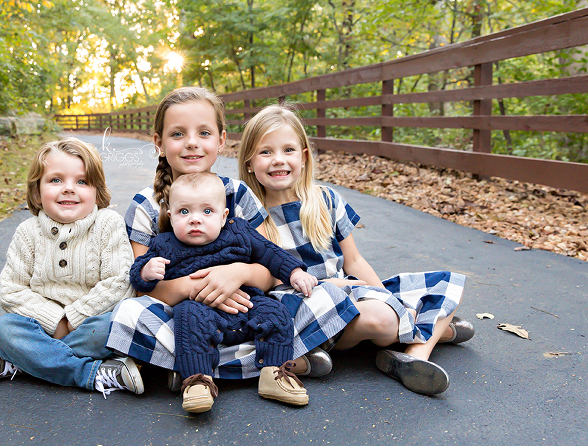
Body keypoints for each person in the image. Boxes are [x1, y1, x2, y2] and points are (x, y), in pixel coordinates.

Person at [107, 87, 356, 388]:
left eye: (204, 133)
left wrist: (237, 273)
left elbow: (269, 269)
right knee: (128, 314)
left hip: (247, 307)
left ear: (221, 140)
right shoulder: (146, 204)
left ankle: (189, 369)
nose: (191, 144)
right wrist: (196, 287)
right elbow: (144, 288)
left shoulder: (237, 194)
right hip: (184, 318)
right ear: (159, 143)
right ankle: (280, 361)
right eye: (177, 134)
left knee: (321, 296)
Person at [238, 104, 475, 395]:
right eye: (265, 152)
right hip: (302, 303)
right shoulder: (248, 215)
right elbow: (269, 278)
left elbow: (354, 261)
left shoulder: (325, 199)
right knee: (384, 319)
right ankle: (428, 335)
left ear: (303, 155)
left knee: (443, 284)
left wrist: (388, 297)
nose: (278, 160)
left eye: (288, 150)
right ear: (249, 161)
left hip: (350, 291)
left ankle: (413, 356)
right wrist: (328, 285)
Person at [131, 172, 317, 412]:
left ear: (223, 216)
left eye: (207, 211)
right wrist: (146, 271)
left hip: (247, 302)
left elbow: (270, 252)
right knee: (187, 317)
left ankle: (275, 372)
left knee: (276, 311)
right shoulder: (163, 245)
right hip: (200, 309)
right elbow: (137, 277)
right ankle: (197, 379)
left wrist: (294, 272)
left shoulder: (238, 231)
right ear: (170, 216)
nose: (195, 219)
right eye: (184, 212)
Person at [0, 137, 143, 398]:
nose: (68, 189)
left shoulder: (107, 224)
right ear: (36, 191)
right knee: (4, 329)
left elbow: (120, 282)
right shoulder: (28, 232)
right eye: (56, 180)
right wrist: (55, 322)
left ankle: (26, 361)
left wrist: (73, 319)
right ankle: (91, 373)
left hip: (90, 325)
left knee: (119, 325)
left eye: (81, 181)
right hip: (41, 326)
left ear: (96, 191)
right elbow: (10, 289)